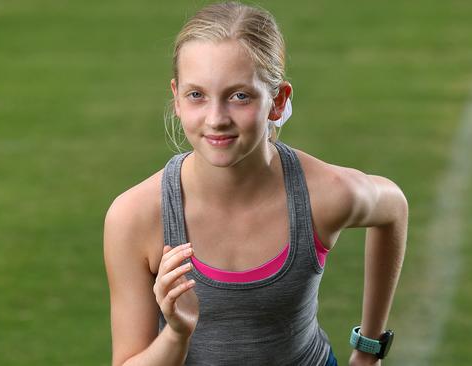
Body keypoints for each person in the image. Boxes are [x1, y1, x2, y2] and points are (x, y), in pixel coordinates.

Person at [103, 2, 407, 365]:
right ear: (177, 99)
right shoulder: (136, 217)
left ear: (277, 102)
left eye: (239, 96)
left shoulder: (323, 194)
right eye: (197, 95)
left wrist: (369, 350)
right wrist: (176, 333)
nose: (216, 119)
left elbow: (394, 210)